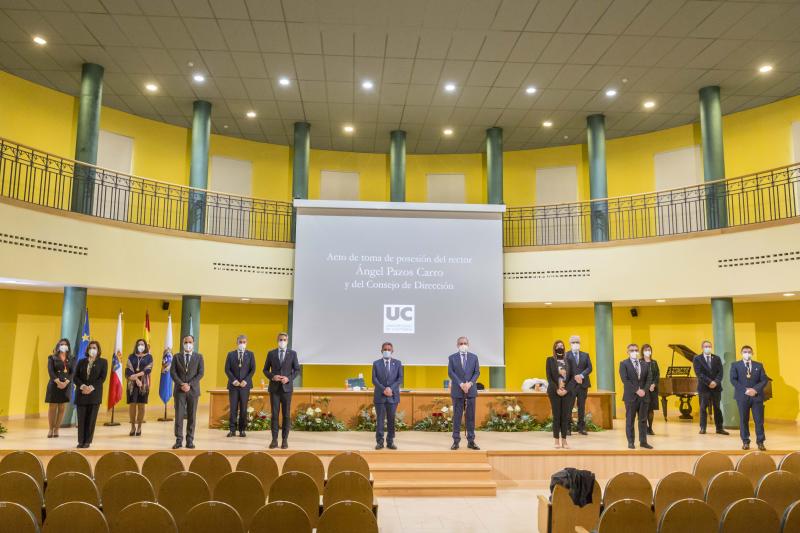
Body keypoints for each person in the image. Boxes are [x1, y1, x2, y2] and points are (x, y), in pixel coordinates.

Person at [264, 332, 300, 449]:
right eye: (280, 339)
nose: (282, 341)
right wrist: (272, 376)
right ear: (277, 340)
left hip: (287, 389)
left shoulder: (293, 354)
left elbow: (297, 370)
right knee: (274, 415)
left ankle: (285, 440)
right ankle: (274, 440)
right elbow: (265, 370)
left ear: (287, 341)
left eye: (284, 339)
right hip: (274, 389)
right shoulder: (271, 353)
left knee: (286, 415)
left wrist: (288, 378)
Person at [730, 345, 769, 451]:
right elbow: (733, 380)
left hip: (757, 397)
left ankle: (760, 442)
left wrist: (755, 390)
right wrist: (746, 390)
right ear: (741, 353)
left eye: (749, 352)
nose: (747, 353)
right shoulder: (735, 365)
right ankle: (745, 442)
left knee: (759, 420)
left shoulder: (759, 365)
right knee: (743, 420)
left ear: (752, 353)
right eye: (745, 351)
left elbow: (764, 380)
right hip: (742, 397)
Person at [170, 335, 204, 449]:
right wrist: (181, 384)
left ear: (193, 343)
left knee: (192, 417)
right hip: (179, 391)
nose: (188, 344)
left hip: (193, 390)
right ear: (182, 343)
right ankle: (179, 440)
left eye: (190, 342)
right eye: (186, 342)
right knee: (179, 416)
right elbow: (173, 372)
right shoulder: (176, 357)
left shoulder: (199, 357)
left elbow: (200, 373)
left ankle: (190, 440)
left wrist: (189, 384)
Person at [74, 340, 108, 449]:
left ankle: (87, 441)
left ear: (98, 351)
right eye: (91, 348)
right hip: (81, 394)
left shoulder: (103, 362)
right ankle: (81, 441)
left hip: (94, 395)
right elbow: (75, 377)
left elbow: (102, 378)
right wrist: (83, 387)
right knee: (82, 419)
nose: (92, 350)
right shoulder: (81, 362)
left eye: (95, 348)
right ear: (87, 350)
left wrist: (91, 388)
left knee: (91, 419)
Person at [448, 336, 480, 450]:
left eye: (465, 343)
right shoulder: (452, 358)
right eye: (461, 343)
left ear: (468, 344)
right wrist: (461, 384)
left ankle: (471, 441)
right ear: (457, 345)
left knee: (470, 417)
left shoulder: (474, 357)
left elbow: (477, 373)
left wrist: (470, 384)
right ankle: (456, 441)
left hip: (470, 391)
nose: (463, 345)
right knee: (457, 417)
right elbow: (451, 373)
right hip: (457, 391)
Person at [619, 343, 653, 449]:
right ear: (628, 352)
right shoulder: (624, 364)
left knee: (643, 420)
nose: (634, 352)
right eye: (632, 350)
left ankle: (643, 441)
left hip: (644, 396)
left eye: (636, 350)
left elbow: (649, 378)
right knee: (630, 420)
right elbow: (625, 380)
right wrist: (637, 390)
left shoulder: (644, 364)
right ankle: (631, 442)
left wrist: (644, 390)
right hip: (631, 397)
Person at [692, 340, 730, 435]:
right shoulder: (697, 358)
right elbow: (699, 373)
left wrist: (716, 382)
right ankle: (703, 428)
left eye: (709, 346)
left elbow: (720, 372)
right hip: (704, 388)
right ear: (702, 347)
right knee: (703, 408)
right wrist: (709, 382)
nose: (707, 348)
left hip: (716, 388)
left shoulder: (716, 358)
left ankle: (719, 428)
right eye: (706, 346)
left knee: (717, 407)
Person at [371, 342, 403, 450]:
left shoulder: (398, 363)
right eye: (385, 349)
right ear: (381, 351)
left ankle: (390, 442)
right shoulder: (376, 363)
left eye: (389, 349)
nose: (387, 351)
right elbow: (374, 380)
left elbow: (400, 379)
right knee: (380, 420)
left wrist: (390, 389)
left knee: (391, 419)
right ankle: (379, 442)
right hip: (380, 396)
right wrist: (384, 389)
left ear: (392, 351)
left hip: (393, 396)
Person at [546, 340, 576, 449]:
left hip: (567, 392)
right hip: (554, 391)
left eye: (562, 346)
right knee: (556, 416)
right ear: (554, 348)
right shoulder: (550, 360)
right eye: (558, 346)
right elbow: (549, 377)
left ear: (564, 348)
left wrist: (566, 389)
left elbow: (573, 377)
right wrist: (557, 389)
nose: (560, 347)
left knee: (565, 416)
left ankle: (564, 440)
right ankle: (556, 440)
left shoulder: (569, 360)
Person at [224, 334, 256, 438]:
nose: (242, 344)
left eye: (244, 342)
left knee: (243, 408)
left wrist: (245, 381)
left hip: (245, 386)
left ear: (246, 343)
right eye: (240, 342)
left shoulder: (250, 354)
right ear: (237, 343)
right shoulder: (230, 354)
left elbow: (253, 369)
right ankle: (232, 430)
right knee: (233, 408)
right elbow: (227, 369)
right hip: (233, 386)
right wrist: (234, 380)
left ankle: (242, 430)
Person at [45, 338, 74, 438]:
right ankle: (50, 429)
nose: (63, 346)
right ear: (58, 346)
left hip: (66, 385)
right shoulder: (52, 358)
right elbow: (50, 371)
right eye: (61, 344)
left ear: (68, 347)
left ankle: (57, 429)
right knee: (52, 407)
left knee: (61, 407)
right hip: (54, 384)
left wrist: (66, 382)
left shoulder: (71, 358)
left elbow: (72, 372)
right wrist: (57, 381)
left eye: (65, 344)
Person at [125, 338, 153, 437]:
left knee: (141, 405)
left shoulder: (149, 357)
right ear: (136, 346)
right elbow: (128, 370)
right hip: (132, 384)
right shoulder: (131, 356)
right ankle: (132, 426)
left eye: (142, 344)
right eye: (139, 344)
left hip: (143, 384)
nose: (140, 346)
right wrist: (136, 379)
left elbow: (148, 369)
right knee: (132, 405)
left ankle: (139, 426)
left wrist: (137, 376)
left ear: (145, 346)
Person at [567, 334, 592, 435]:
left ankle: (581, 427)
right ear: (570, 344)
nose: (575, 344)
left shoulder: (585, 355)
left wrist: (581, 375)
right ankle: (568, 427)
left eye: (577, 342)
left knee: (581, 406)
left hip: (583, 384)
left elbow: (589, 368)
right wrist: (575, 377)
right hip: (571, 385)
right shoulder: (566, 355)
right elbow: (565, 369)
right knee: (569, 406)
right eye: (573, 342)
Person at [641, 344, 660, 436]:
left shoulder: (654, 362)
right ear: (642, 351)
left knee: (651, 410)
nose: (648, 351)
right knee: (643, 409)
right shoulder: (639, 361)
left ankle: (650, 428)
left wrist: (654, 384)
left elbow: (657, 375)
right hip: (643, 389)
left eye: (649, 349)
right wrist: (646, 386)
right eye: (646, 349)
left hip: (653, 389)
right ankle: (644, 428)